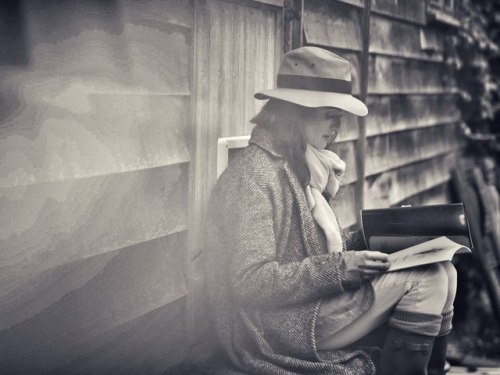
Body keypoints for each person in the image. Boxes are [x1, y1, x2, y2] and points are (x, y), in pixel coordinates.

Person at [205, 47, 457, 375]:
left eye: (339, 116)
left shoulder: (302, 163)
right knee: (426, 281)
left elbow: (316, 247)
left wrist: (390, 235)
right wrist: (338, 270)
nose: (336, 126)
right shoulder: (256, 174)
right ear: (294, 112)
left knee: (444, 270)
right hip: (278, 325)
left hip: (311, 306)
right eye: (328, 114)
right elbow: (251, 282)